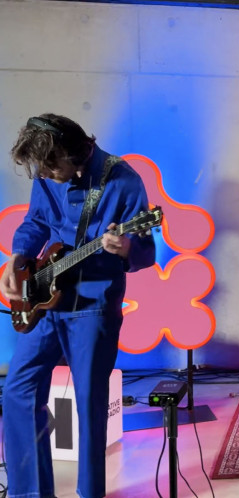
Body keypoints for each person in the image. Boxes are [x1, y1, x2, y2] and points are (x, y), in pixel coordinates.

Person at [1, 114, 156, 498]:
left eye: (52, 167)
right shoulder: (46, 173)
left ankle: (90, 493)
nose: (46, 175)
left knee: (89, 405)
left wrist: (127, 247)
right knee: (18, 390)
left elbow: (146, 251)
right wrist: (17, 258)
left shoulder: (124, 180)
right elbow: (36, 222)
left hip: (93, 303)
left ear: (76, 153)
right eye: (41, 170)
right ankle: (29, 493)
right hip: (45, 300)